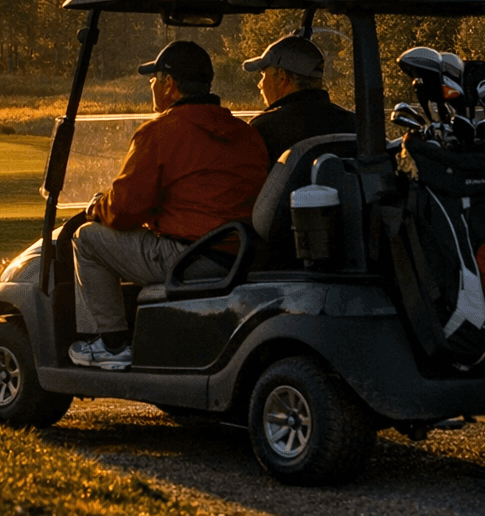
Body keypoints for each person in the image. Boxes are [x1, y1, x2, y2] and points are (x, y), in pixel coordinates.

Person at [69, 41, 270, 369]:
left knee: (88, 238)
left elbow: (122, 210)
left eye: (154, 79)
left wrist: (96, 208)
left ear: (169, 85)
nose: (151, 86)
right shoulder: (244, 133)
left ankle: (111, 344)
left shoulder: (160, 132)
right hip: (240, 252)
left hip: (190, 257)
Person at [243, 34, 357, 165]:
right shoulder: (353, 124)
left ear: (282, 77)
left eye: (263, 74)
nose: (260, 84)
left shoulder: (263, 129)